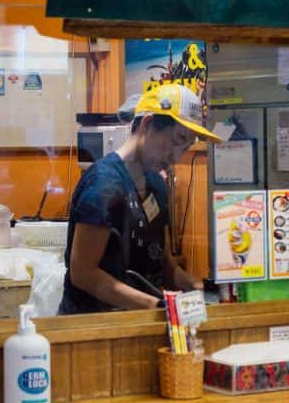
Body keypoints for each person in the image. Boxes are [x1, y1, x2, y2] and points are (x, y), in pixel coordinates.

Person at [58, 83, 220, 315]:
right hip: (92, 325)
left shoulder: (156, 183)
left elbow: (162, 261)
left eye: (185, 147)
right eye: (176, 140)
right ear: (147, 125)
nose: (176, 156)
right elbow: (83, 273)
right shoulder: (103, 186)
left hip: (138, 320)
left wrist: (199, 288)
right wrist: (154, 305)